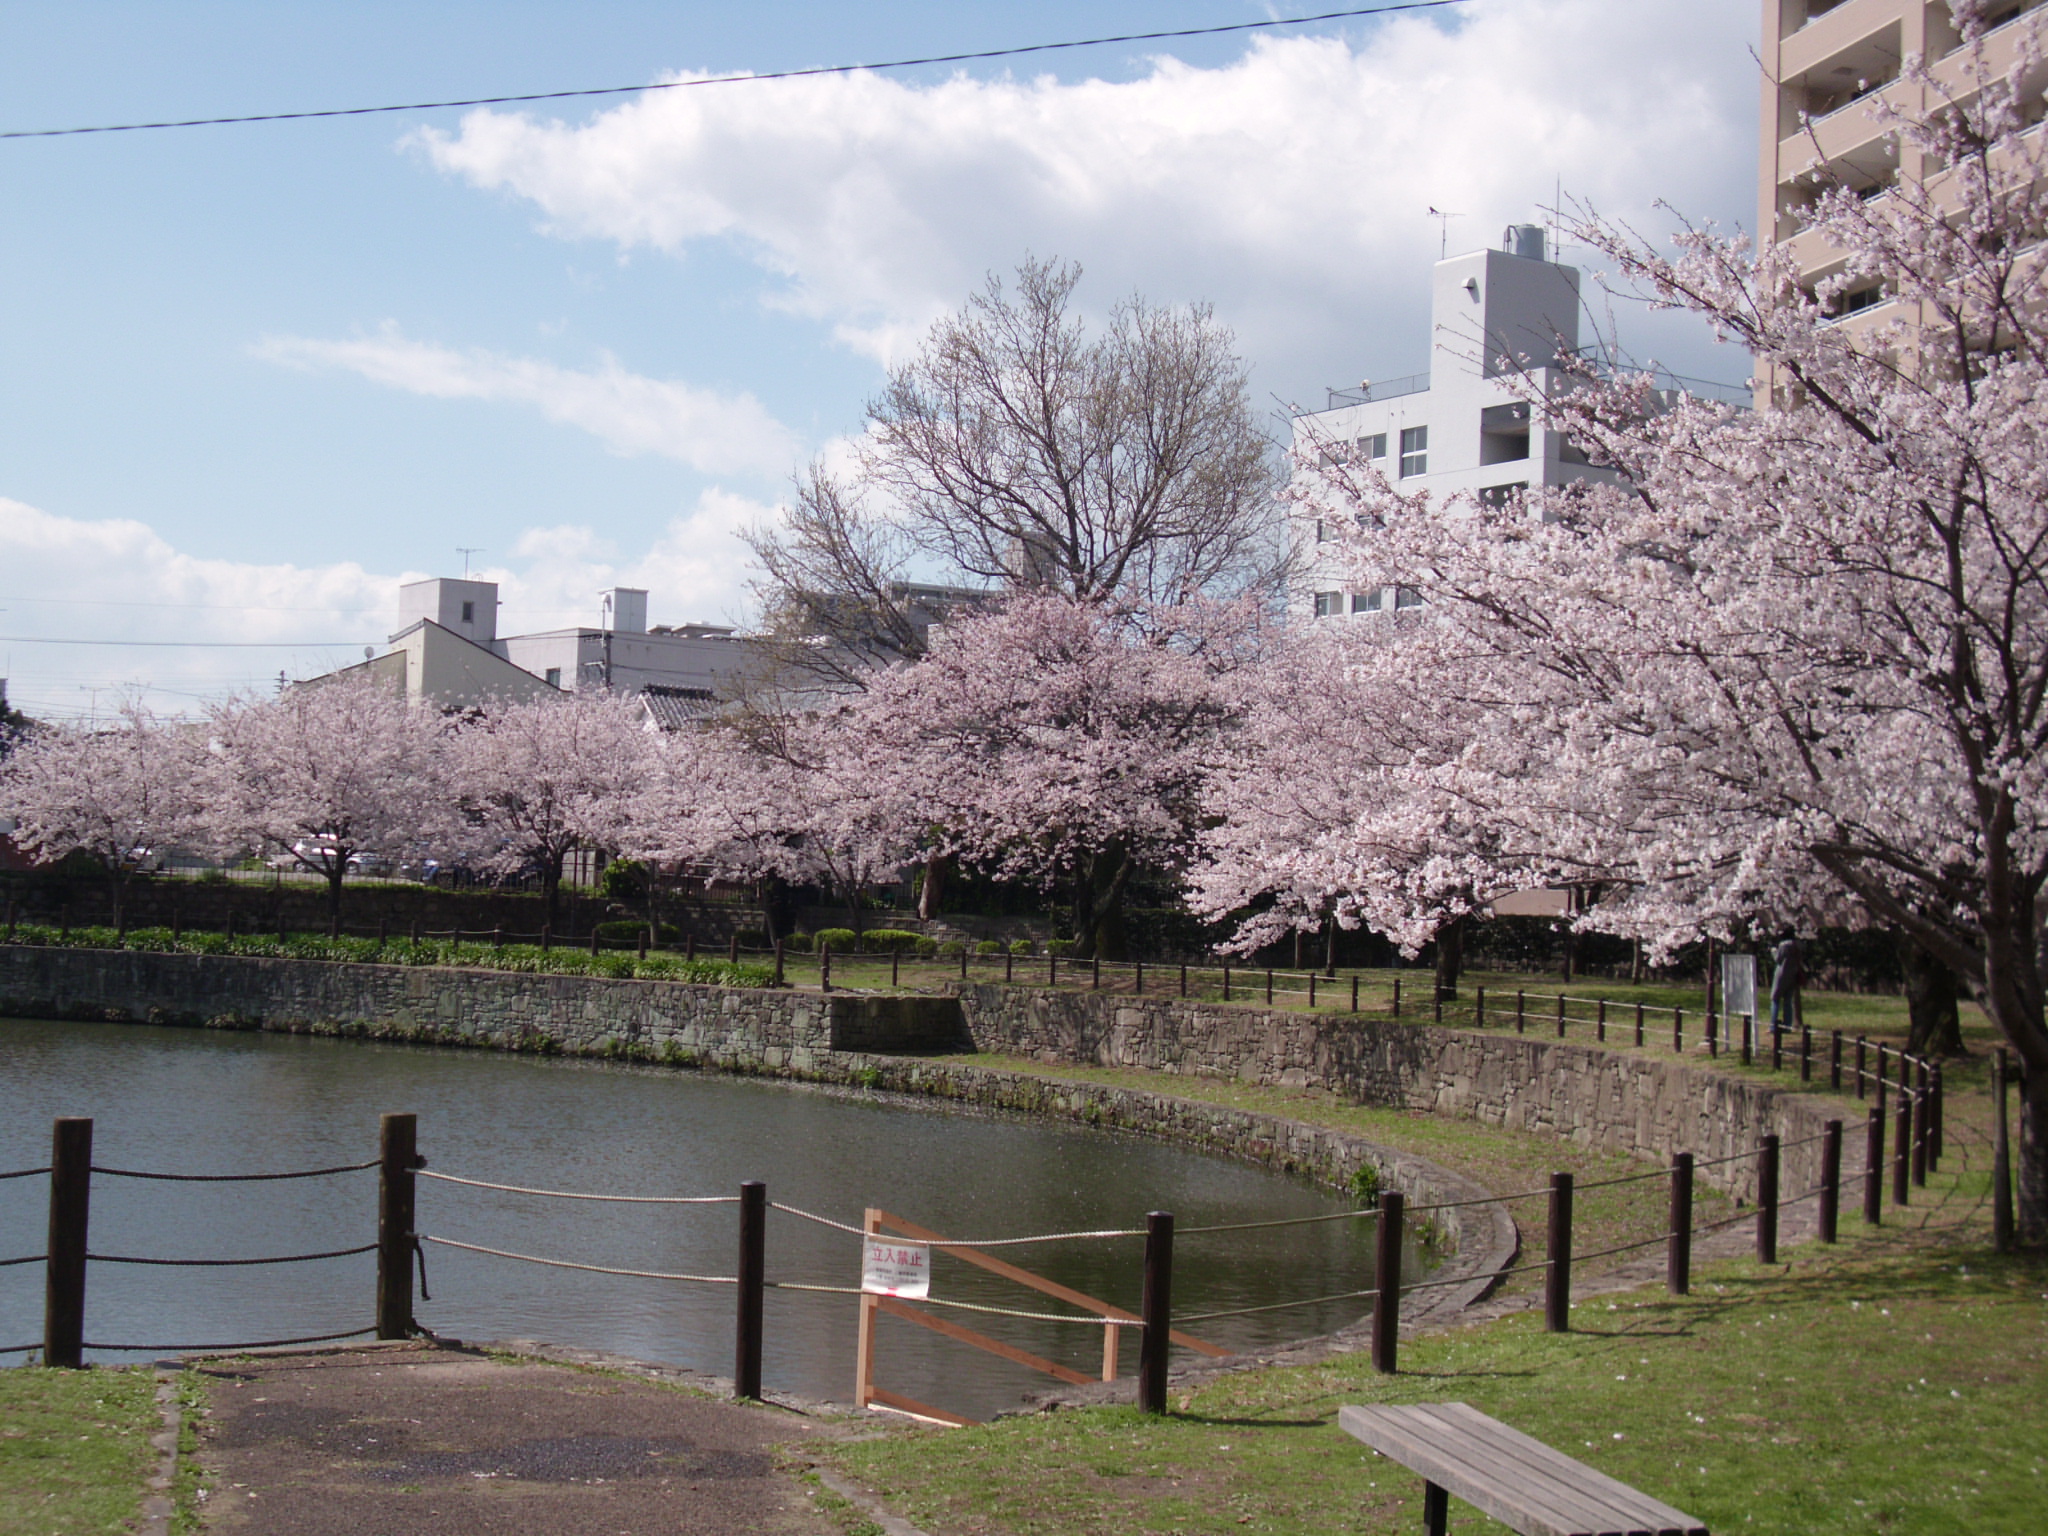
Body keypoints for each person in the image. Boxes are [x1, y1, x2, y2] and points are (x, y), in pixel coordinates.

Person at [1769, 937, 1804, 1038]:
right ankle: (1787, 1025)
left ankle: (1773, 1025)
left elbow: (1778, 959)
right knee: (1788, 1000)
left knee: (1775, 999)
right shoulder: (1798, 945)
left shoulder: (1783, 945)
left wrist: (1773, 950)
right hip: (1793, 973)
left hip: (1781, 974)